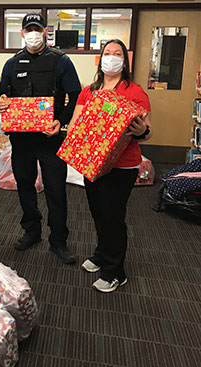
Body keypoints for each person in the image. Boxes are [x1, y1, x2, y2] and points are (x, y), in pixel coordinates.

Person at [67, 39, 152, 293]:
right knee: (98, 211)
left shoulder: (135, 92)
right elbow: (75, 123)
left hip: (122, 165)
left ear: (124, 61)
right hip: (92, 162)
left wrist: (141, 130)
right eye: (107, 53)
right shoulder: (89, 90)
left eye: (117, 53)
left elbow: (147, 132)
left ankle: (116, 271)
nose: (111, 57)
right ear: (100, 58)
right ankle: (101, 253)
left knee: (113, 215)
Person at [0, 13, 81, 264]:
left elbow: (75, 96)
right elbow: (2, 96)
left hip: (50, 138)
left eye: (37, 29)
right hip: (22, 139)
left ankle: (59, 240)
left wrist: (61, 121)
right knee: (25, 185)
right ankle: (31, 231)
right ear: (22, 33)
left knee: (56, 189)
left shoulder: (61, 61)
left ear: (45, 31)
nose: (33, 33)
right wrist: (0, 103)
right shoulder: (12, 63)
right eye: (28, 30)